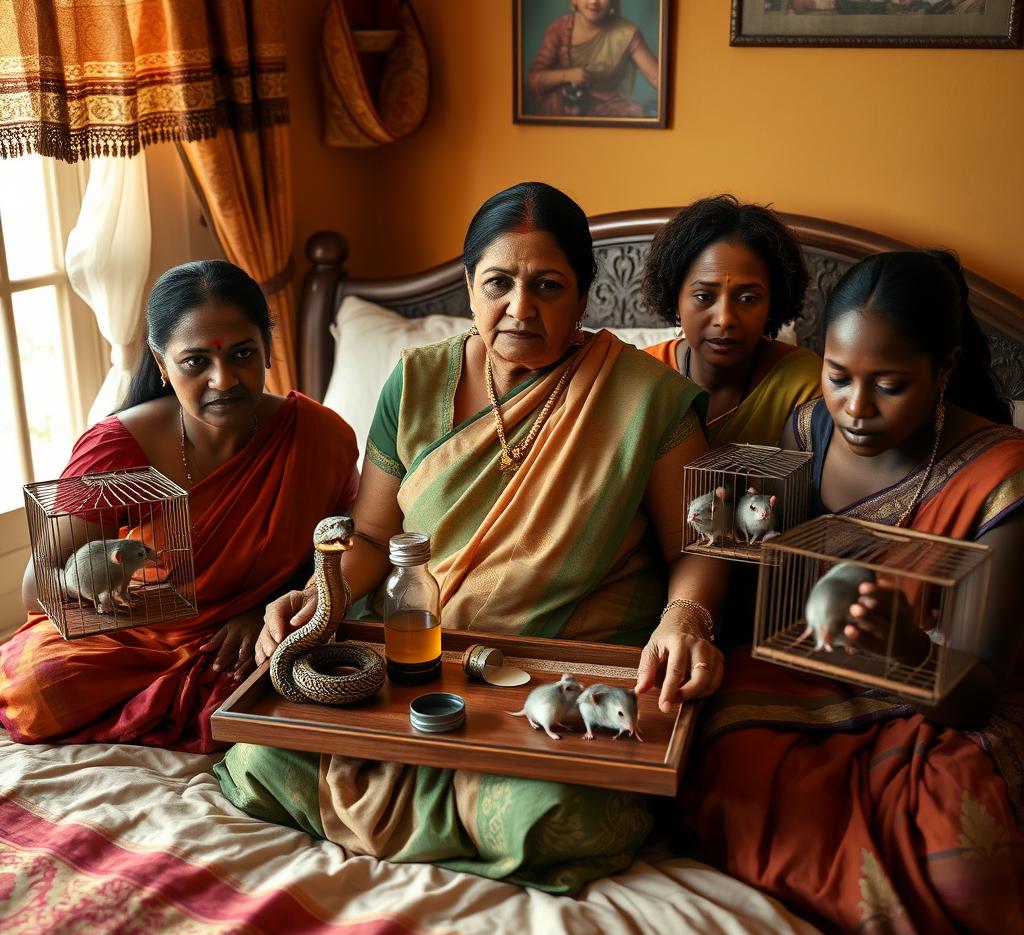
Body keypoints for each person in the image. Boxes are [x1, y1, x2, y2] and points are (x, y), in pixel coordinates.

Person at [215, 182, 729, 894]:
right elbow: (370, 534)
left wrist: (685, 619)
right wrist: (318, 594)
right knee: (260, 761)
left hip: (551, 668)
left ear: (583, 296)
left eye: (548, 286)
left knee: (554, 814)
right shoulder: (416, 380)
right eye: (498, 284)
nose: (521, 308)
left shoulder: (647, 399)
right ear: (467, 287)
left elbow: (697, 546)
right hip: (412, 654)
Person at [682, 250, 1024, 935]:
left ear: (946, 369)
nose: (855, 408)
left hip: (951, 710)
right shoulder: (806, 429)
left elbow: (978, 693)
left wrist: (911, 652)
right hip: (810, 679)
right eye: (837, 375)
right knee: (722, 743)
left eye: (889, 384)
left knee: (961, 849)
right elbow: (762, 587)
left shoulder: (1004, 476)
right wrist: (726, 540)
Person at [0, 261, 359, 752]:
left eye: (242, 354)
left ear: (268, 350)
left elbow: (343, 551)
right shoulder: (117, 447)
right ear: (161, 362)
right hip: (137, 633)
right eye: (196, 362)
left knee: (298, 680)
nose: (224, 379)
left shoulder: (318, 435)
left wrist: (265, 610)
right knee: (39, 687)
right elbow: (39, 591)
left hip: (256, 631)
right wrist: (154, 607)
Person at [641, 195, 821, 446]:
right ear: (675, 300)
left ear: (773, 302)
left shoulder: (802, 385)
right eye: (704, 296)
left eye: (747, 299)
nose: (724, 319)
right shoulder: (642, 378)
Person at [526, 1, 659, 119]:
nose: (593, 1)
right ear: (574, 1)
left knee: (636, 113)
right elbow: (532, 80)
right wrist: (567, 75)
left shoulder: (626, 33)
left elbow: (657, 78)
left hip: (608, 109)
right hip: (564, 109)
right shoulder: (559, 28)